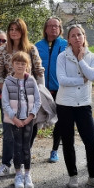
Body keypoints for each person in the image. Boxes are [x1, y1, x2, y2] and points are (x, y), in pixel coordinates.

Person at [55, 24, 94, 188]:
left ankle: (93, 176)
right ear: (68, 40)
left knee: (91, 142)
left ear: (84, 37)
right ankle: (73, 176)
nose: (76, 38)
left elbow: (92, 76)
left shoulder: (93, 57)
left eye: (79, 35)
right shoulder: (62, 57)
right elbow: (62, 80)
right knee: (68, 141)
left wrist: (80, 60)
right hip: (65, 104)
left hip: (83, 104)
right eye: (73, 35)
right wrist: (81, 80)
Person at [0, 18, 43, 177]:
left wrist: (39, 92)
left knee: (27, 131)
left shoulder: (31, 49)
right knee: (9, 131)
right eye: (11, 29)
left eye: (17, 29)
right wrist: (6, 89)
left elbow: (38, 71)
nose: (14, 32)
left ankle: (22, 163)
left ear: (23, 31)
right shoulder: (2, 50)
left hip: (28, 97)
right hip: (9, 97)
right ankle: (6, 163)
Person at [1, 51, 41, 188]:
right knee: (17, 146)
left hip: (28, 119)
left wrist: (31, 115)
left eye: (23, 63)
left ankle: (28, 174)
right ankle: (18, 174)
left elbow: (37, 100)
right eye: (17, 63)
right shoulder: (8, 81)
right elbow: (5, 102)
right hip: (15, 120)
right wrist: (14, 118)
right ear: (12, 64)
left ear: (27, 65)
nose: (20, 66)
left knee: (26, 147)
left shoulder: (31, 80)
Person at [36, 17, 68, 163]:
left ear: (60, 29)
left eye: (57, 26)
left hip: (60, 90)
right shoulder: (37, 46)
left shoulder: (66, 45)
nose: (54, 28)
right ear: (46, 28)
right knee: (35, 120)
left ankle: (54, 150)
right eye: (51, 26)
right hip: (42, 90)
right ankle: (26, 151)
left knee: (60, 122)